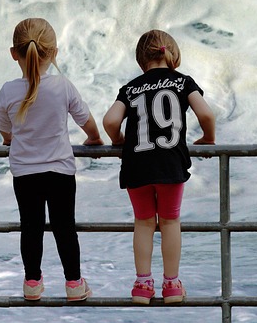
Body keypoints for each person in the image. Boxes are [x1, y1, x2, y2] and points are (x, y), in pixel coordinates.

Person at [102, 29, 217, 305]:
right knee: (170, 220)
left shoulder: (130, 88)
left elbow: (109, 121)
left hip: (136, 164)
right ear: (172, 55)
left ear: (142, 60)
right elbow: (206, 113)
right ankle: (172, 285)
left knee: (143, 222)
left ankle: (142, 285)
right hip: (170, 163)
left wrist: (118, 141)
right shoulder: (183, 82)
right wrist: (209, 139)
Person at [0, 17, 104, 301]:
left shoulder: (8, 90)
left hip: (25, 173)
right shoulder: (63, 86)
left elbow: (5, 129)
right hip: (60, 171)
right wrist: (93, 138)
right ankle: (74, 284)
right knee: (64, 228)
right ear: (53, 52)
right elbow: (86, 121)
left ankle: (32, 283)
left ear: (13, 53)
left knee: (30, 228)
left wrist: (9, 140)